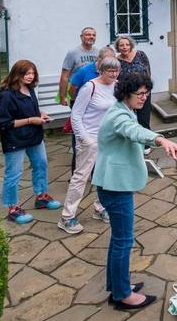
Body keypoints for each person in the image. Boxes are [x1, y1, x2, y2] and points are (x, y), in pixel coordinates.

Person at [92, 71, 177, 311]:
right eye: (140, 94)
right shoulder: (118, 116)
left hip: (113, 184)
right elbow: (134, 132)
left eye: (146, 93)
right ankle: (123, 296)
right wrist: (161, 140)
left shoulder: (125, 110)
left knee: (118, 240)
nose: (144, 98)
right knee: (123, 241)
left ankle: (118, 287)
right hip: (114, 187)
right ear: (126, 93)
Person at [0, 59, 60, 225]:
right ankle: (12, 209)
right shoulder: (6, 95)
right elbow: (2, 123)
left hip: (34, 137)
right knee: (13, 174)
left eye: (32, 73)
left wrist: (40, 114)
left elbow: (29, 110)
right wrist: (31, 120)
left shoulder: (29, 89)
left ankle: (41, 197)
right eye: (27, 73)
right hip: (15, 140)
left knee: (41, 165)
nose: (30, 76)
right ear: (17, 74)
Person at [57, 57, 121, 234]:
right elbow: (76, 115)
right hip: (90, 139)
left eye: (117, 71)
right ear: (101, 70)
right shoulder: (90, 87)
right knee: (81, 177)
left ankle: (100, 208)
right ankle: (67, 217)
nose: (114, 74)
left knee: (105, 175)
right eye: (110, 71)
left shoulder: (116, 85)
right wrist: (85, 138)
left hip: (108, 138)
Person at [67, 45, 119, 169]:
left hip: (102, 122)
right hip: (85, 114)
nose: (110, 64)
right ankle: (76, 172)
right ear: (99, 59)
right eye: (107, 60)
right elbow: (72, 89)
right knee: (81, 152)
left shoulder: (113, 76)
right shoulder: (85, 71)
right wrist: (80, 104)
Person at [114, 35, 152, 129]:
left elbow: (148, 72)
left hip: (143, 94)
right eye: (121, 45)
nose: (125, 47)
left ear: (131, 45)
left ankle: (146, 143)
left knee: (144, 121)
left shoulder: (140, 54)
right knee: (129, 121)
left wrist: (147, 90)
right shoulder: (116, 61)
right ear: (118, 47)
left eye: (127, 44)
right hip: (127, 96)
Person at [59, 27, 98, 107]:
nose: (91, 37)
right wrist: (62, 97)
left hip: (93, 93)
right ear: (81, 37)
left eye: (93, 35)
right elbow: (65, 76)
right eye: (88, 34)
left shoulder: (98, 52)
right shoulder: (73, 52)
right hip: (76, 92)